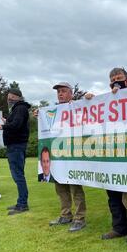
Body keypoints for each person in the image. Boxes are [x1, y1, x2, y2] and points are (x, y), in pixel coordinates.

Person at [86, 68, 127, 244]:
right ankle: (119, 228)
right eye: (113, 79)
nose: (116, 81)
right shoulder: (107, 101)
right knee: (113, 195)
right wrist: (90, 100)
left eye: (119, 78)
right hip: (111, 155)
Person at [47, 82, 87, 232]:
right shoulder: (54, 111)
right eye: (58, 92)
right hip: (58, 155)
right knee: (60, 187)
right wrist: (40, 115)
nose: (60, 94)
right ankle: (66, 215)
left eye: (63, 91)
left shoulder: (77, 107)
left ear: (71, 93)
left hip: (73, 155)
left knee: (75, 188)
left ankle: (80, 218)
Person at [0, 88, 31, 215]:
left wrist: (1, 126)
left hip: (16, 146)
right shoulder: (18, 109)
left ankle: (22, 204)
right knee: (18, 175)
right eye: (9, 96)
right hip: (15, 145)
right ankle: (21, 202)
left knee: (18, 175)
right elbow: (15, 123)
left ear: (18, 97)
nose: (9, 99)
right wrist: (7, 121)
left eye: (12, 97)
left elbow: (17, 125)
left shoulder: (20, 108)